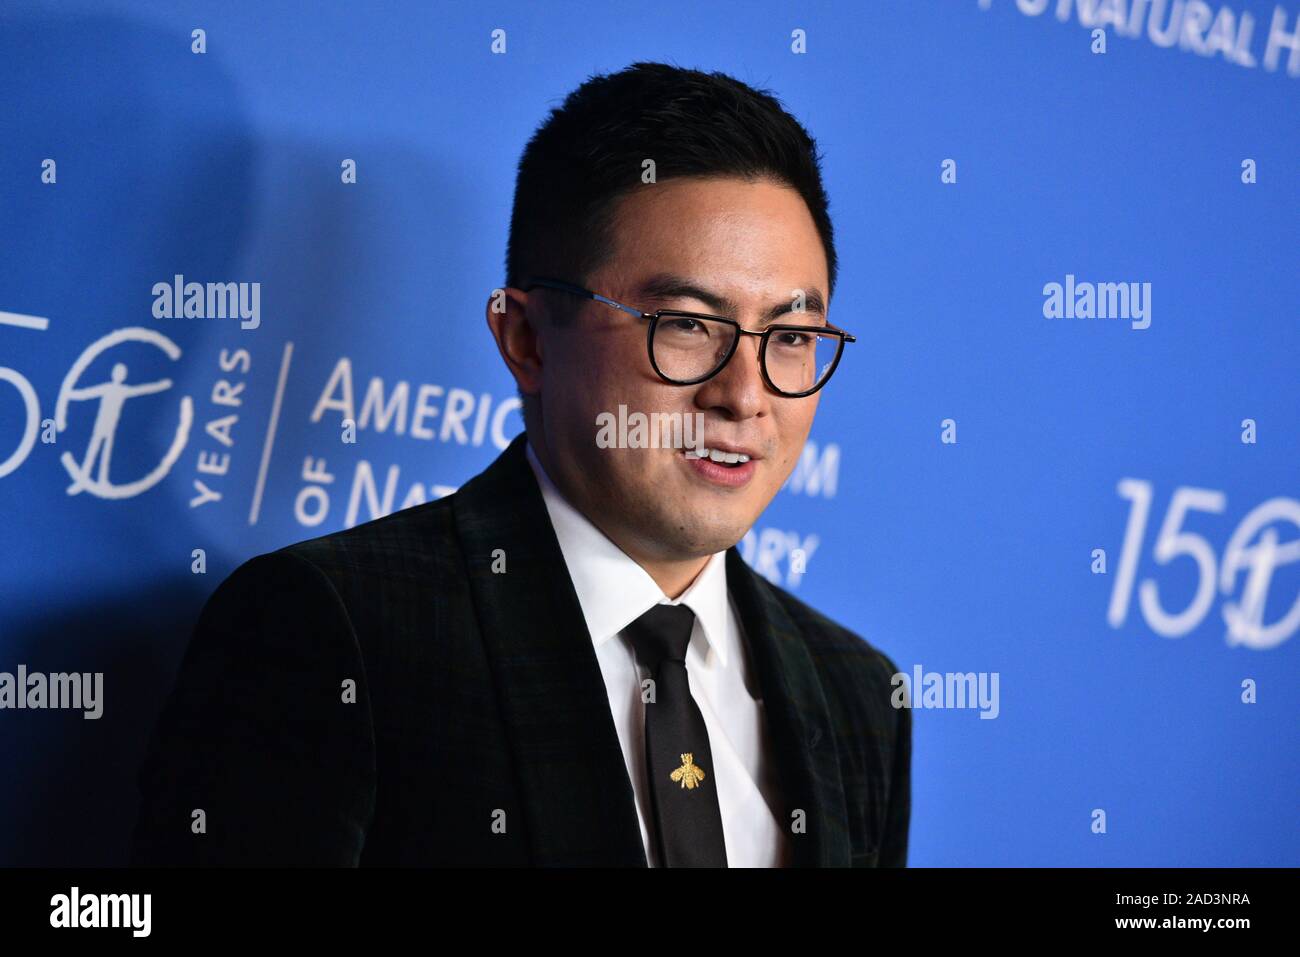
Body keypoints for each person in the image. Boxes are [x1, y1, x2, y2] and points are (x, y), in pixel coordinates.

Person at [131, 61, 910, 868]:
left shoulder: (857, 693)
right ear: (528, 340)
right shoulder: (331, 632)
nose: (744, 395)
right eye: (685, 325)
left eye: (788, 337)